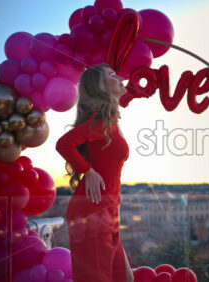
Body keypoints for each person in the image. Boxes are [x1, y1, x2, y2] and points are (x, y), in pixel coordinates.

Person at [56, 64, 134, 282]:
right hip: (92, 212)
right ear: (99, 87)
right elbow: (64, 144)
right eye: (111, 75)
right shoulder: (100, 123)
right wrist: (88, 172)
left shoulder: (110, 121)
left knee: (125, 278)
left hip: (107, 210)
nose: (119, 76)